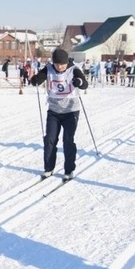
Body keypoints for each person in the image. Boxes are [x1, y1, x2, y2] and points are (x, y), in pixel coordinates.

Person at [30, 48, 89, 181]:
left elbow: (84, 84)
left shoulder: (74, 69)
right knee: (49, 140)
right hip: (54, 111)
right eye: (57, 64)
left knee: (68, 141)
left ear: (66, 62)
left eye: (62, 64)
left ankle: (68, 170)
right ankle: (49, 168)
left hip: (70, 111)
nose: (60, 67)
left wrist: (79, 82)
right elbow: (40, 77)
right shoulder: (49, 68)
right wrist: (35, 80)